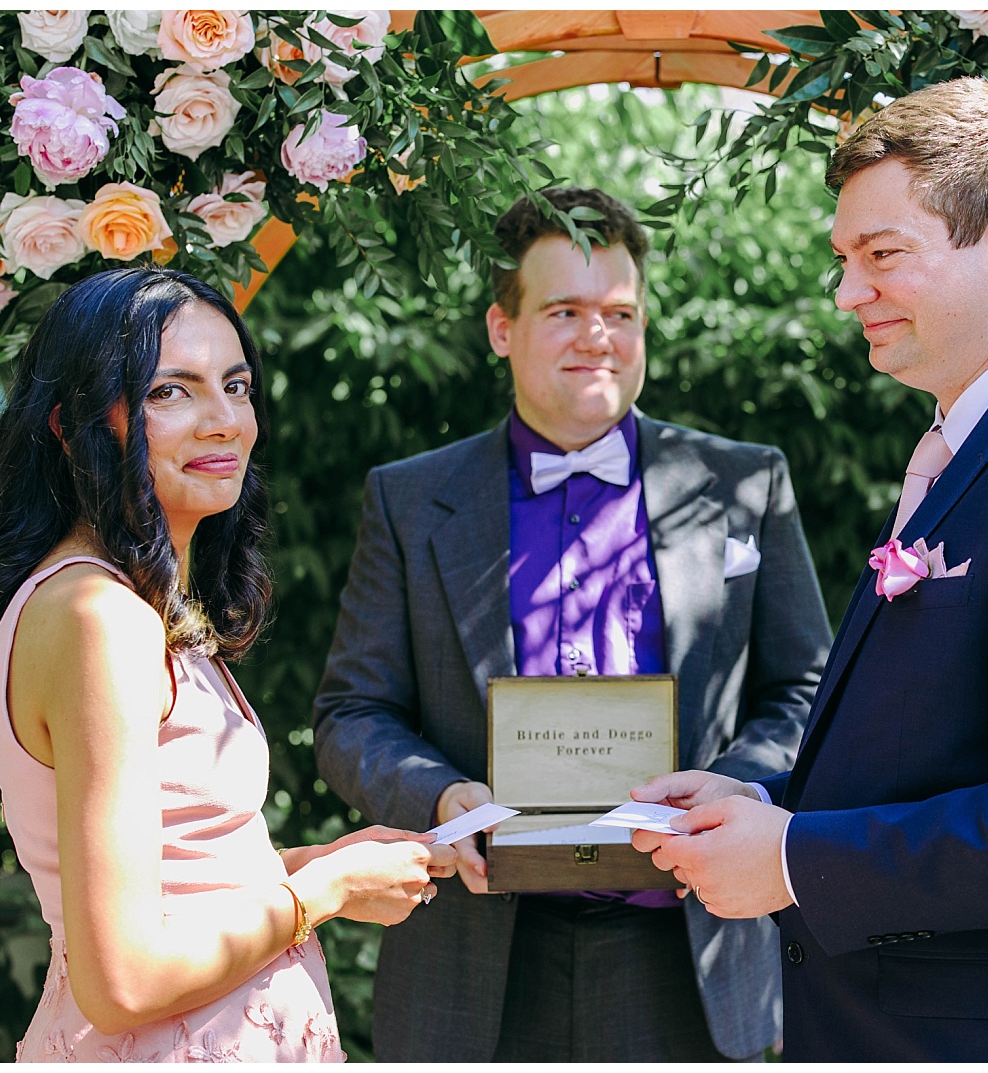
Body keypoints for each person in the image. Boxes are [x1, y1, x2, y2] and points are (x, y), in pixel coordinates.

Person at [630, 78, 988, 1062]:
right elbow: (939, 748)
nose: (849, 292)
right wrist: (768, 803)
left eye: (882, 255)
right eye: (844, 259)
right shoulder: (971, 450)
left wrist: (797, 861)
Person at [311, 187, 832, 1061]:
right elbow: (352, 712)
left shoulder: (746, 481)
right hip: (479, 959)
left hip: (689, 950)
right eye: (565, 310)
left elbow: (806, 689)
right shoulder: (407, 499)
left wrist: (736, 785)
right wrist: (438, 795)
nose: (599, 335)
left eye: (621, 312)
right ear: (500, 327)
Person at [0, 268, 456, 1063]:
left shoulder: (130, 605)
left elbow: (171, 883)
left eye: (236, 385)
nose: (223, 422)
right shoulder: (96, 617)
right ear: (74, 427)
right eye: (169, 392)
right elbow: (125, 982)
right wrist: (329, 892)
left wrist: (333, 859)